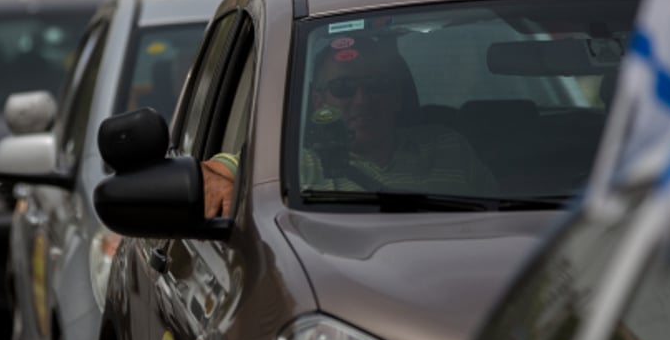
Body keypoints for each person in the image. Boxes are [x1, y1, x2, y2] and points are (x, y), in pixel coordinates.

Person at [201, 35, 495, 217]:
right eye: (343, 88)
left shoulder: (449, 145)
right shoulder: (289, 164)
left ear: (397, 96)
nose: (362, 100)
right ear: (318, 99)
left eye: (377, 85)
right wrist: (219, 184)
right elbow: (203, 175)